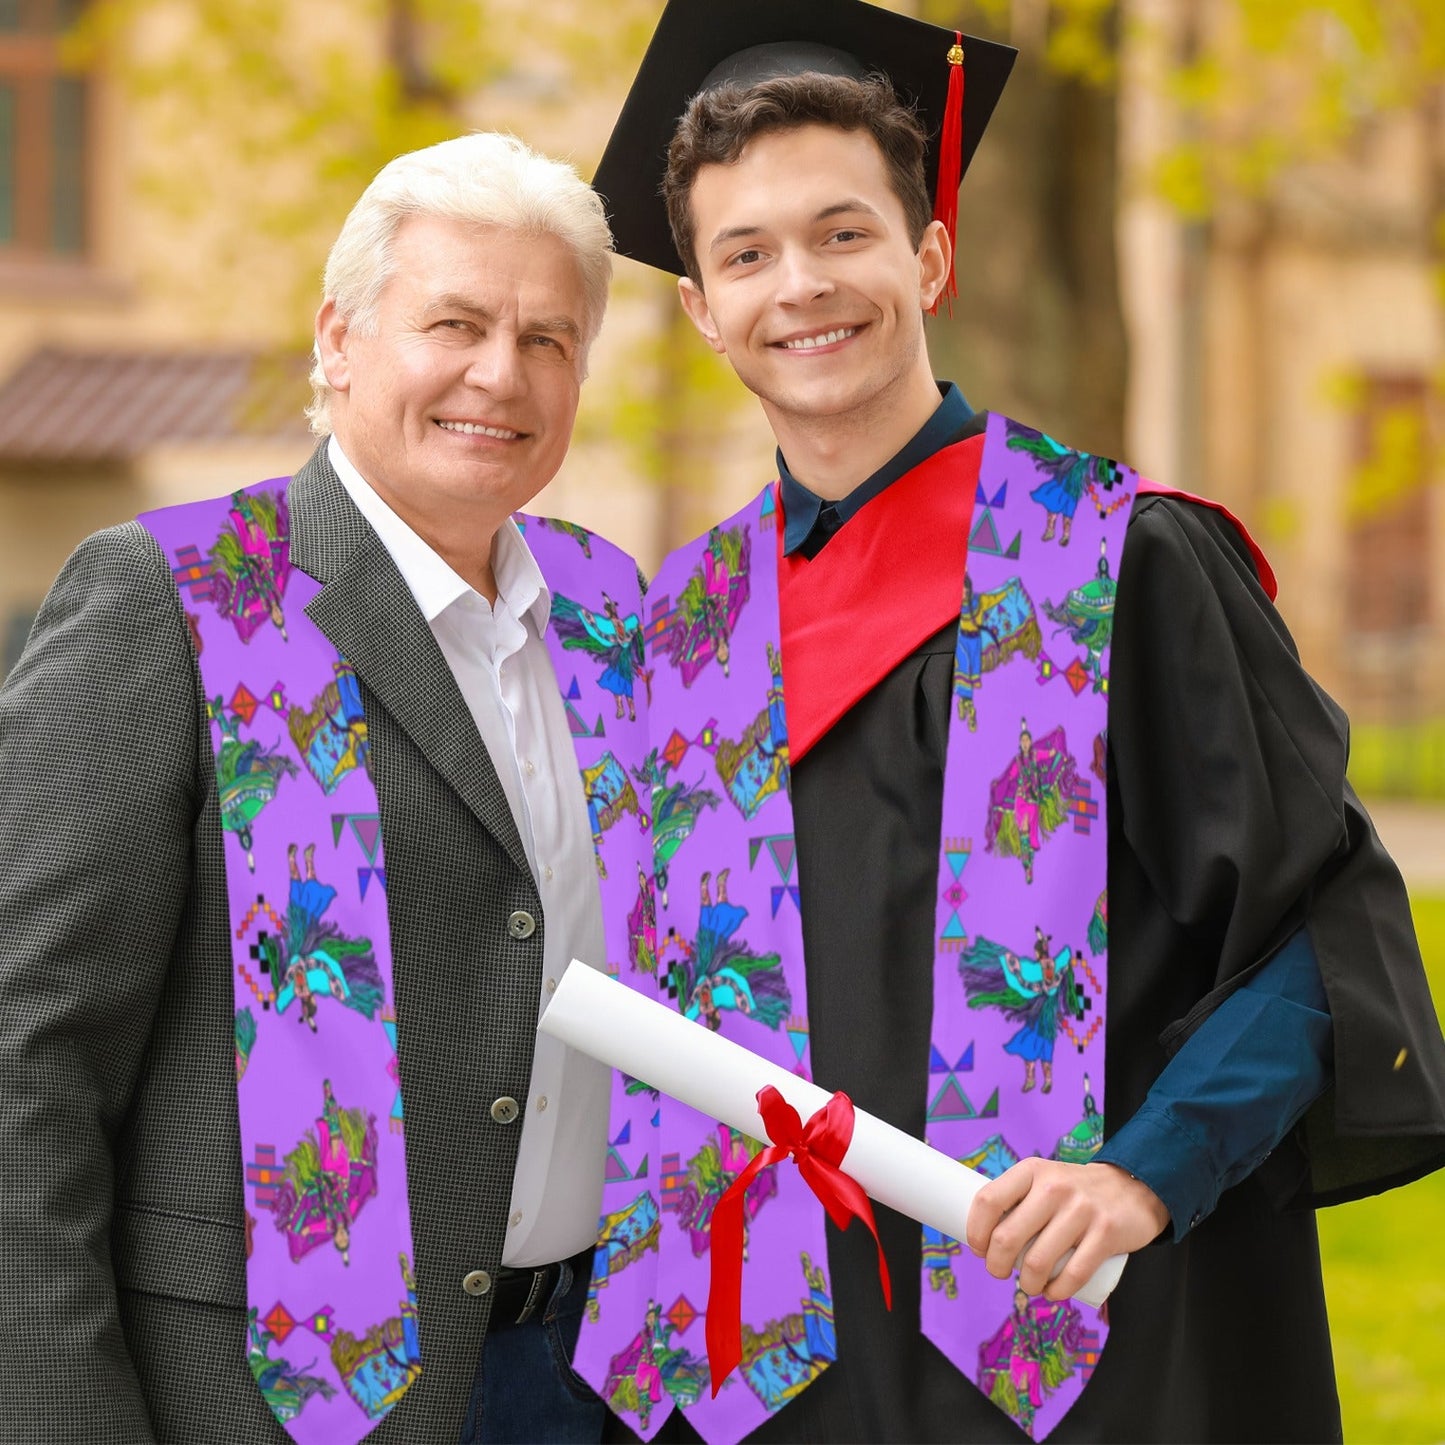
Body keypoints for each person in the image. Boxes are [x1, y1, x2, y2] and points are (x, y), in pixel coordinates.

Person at [580, 1, 1445, 1441]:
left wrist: (1144, 1171)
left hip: (1090, 1342)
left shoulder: (1122, 563)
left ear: (928, 253)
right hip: (777, 1375)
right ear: (699, 307)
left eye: (842, 232)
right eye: (745, 254)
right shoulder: (680, 634)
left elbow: (1317, 933)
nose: (800, 284)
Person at [0, 132, 639, 1443]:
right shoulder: (176, 597)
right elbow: (27, 1061)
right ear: (338, 340)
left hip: (587, 1379)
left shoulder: (608, 609)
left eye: (546, 339)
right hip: (270, 1400)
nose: (498, 374)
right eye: (453, 321)